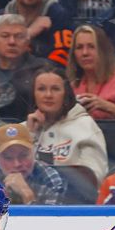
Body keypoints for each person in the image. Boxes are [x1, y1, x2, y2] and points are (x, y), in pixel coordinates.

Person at [26, 65, 108, 204]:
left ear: (66, 94)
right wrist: (30, 135)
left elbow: (94, 180)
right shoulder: (24, 128)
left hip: (72, 207)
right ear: (33, 94)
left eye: (55, 89)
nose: (48, 95)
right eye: (41, 89)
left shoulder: (85, 127)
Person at [0, 13, 50, 123]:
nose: (12, 42)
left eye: (18, 36)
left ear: (27, 43)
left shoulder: (42, 70)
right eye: (5, 36)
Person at [0, 0, 74, 68]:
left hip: (43, 85)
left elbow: (63, 62)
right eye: (5, 35)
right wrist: (28, 34)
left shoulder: (59, 17)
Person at [0, 122, 66, 204]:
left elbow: (50, 216)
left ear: (33, 152)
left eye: (23, 156)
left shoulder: (50, 179)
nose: (17, 164)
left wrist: (27, 194)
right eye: (8, 158)